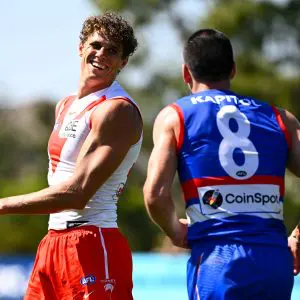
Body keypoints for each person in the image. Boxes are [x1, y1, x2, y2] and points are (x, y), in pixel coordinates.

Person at [143, 28, 300, 300]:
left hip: (217, 261)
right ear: (233, 70)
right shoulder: (281, 119)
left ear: (185, 73)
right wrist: (298, 236)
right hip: (274, 261)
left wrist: (176, 231)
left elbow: (155, 195)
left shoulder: (176, 116)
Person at [0, 12, 142, 299]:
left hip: (92, 242)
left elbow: (77, 194)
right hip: (52, 242)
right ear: (81, 48)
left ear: (122, 63)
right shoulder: (65, 105)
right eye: (96, 45)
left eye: (112, 51)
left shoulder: (117, 110)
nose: (101, 54)